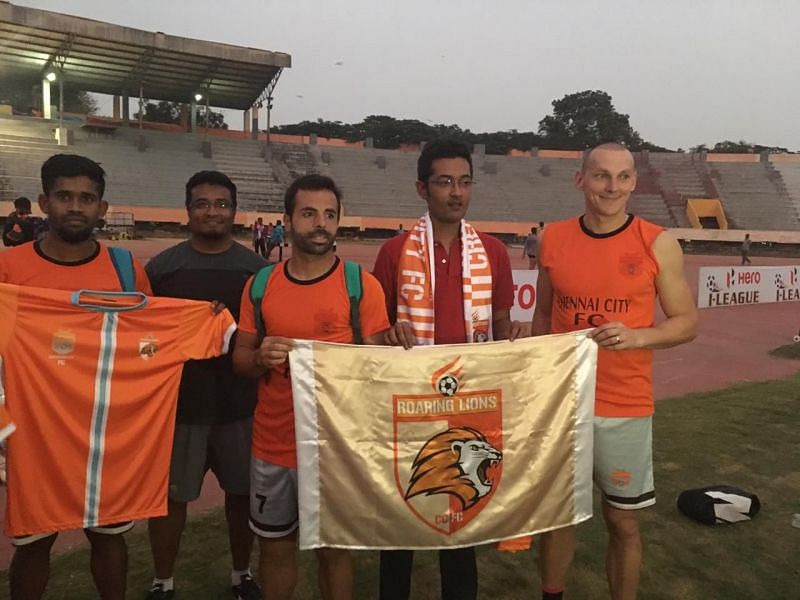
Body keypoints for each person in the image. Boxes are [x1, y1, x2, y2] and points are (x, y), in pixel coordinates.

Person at [533, 142, 697, 600]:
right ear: (580, 178)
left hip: (624, 404)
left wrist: (639, 336)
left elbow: (687, 322)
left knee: (622, 521)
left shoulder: (656, 242)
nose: (612, 187)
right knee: (559, 516)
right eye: (601, 175)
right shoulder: (553, 238)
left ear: (634, 182)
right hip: (565, 403)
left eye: (623, 176)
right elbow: (544, 316)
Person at [0, 154, 152, 600]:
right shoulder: (9, 270)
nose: (75, 207)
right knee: (32, 542)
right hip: (34, 430)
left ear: (102, 209)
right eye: (65, 196)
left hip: (105, 429)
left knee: (109, 536)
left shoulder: (125, 270)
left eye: (87, 198)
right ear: (45, 202)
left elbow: (144, 342)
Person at [232, 174, 390, 600]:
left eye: (329, 214)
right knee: (276, 548)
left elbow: (379, 368)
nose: (320, 223)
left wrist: (394, 347)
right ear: (287, 220)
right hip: (275, 446)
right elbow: (241, 358)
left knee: (334, 553)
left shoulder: (361, 286)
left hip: (336, 449)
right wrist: (260, 356)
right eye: (308, 213)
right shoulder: (261, 285)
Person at [372, 139, 516, 600]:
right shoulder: (394, 253)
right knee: (402, 517)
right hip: (410, 403)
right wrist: (389, 335)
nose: (457, 192)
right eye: (445, 181)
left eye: (465, 181)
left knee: (460, 516)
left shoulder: (493, 252)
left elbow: (499, 329)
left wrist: (516, 336)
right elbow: (378, 333)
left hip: (468, 406)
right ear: (422, 188)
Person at [144, 171, 267, 600]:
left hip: (239, 406)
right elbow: (144, 333)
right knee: (171, 501)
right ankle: (163, 580)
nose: (212, 212)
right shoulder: (162, 268)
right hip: (180, 408)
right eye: (202, 204)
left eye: (221, 204)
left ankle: (241, 573)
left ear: (234, 211)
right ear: (188, 211)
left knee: (240, 496)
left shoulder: (257, 271)